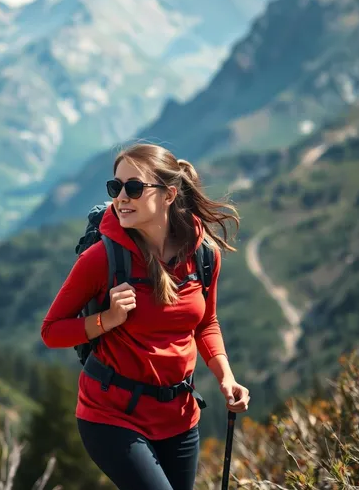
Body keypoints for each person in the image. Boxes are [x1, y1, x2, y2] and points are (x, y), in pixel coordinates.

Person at [41, 143, 250, 490]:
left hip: (180, 416)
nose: (121, 197)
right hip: (111, 415)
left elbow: (205, 324)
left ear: (168, 195)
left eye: (134, 188)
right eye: (115, 187)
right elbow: (51, 331)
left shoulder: (204, 256)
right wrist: (107, 319)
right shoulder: (101, 258)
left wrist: (225, 377)